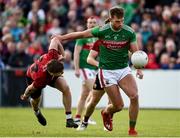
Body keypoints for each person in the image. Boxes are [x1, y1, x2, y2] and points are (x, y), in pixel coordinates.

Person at [53, 6, 143, 136]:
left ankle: (132, 130)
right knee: (115, 105)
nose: (120, 23)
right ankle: (97, 115)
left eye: (122, 20)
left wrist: (139, 69)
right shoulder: (102, 31)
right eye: (118, 21)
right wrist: (61, 37)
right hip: (106, 72)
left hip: (123, 69)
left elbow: (136, 53)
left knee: (134, 96)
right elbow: (81, 34)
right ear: (111, 19)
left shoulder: (129, 32)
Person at [20, 37, 78, 128]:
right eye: (60, 73)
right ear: (52, 74)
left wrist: (63, 55)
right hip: (32, 77)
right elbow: (30, 88)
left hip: (48, 73)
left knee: (65, 88)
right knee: (36, 101)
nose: (62, 73)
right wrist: (25, 95)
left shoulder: (53, 55)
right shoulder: (41, 79)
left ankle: (69, 119)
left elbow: (55, 39)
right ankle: (37, 112)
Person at [73, 16, 98, 125]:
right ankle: (87, 117)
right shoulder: (83, 36)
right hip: (85, 67)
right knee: (94, 92)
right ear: (87, 24)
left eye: (94, 22)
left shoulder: (98, 37)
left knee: (84, 94)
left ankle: (77, 118)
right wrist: (77, 68)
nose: (92, 24)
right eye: (90, 22)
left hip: (94, 68)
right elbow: (76, 52)